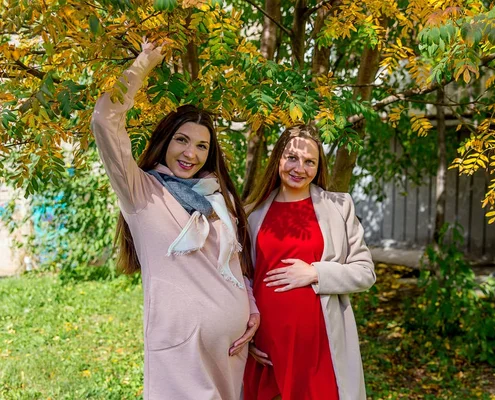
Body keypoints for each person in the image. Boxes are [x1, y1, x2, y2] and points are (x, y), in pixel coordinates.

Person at [91, 41, 259, 400]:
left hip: (231, 349)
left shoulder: (218, 196)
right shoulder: (141, 191)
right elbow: (105, 121)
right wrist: (144, 63)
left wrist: (252, 308)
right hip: (180, 352)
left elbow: (236, 264)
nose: (191, 153)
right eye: (182, 140)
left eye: (202, 145)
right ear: (166, 140)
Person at [243, 125, 376, 400]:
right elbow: (242, 278)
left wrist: (315, 272)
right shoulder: (252, 213)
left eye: (309, 161)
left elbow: (365, 272)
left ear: (318, 165)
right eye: (292, 157)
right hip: (266, 349)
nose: (299, 168)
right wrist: (246, 331)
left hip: (319, 348)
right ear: (278, 158)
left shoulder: (339, 207)